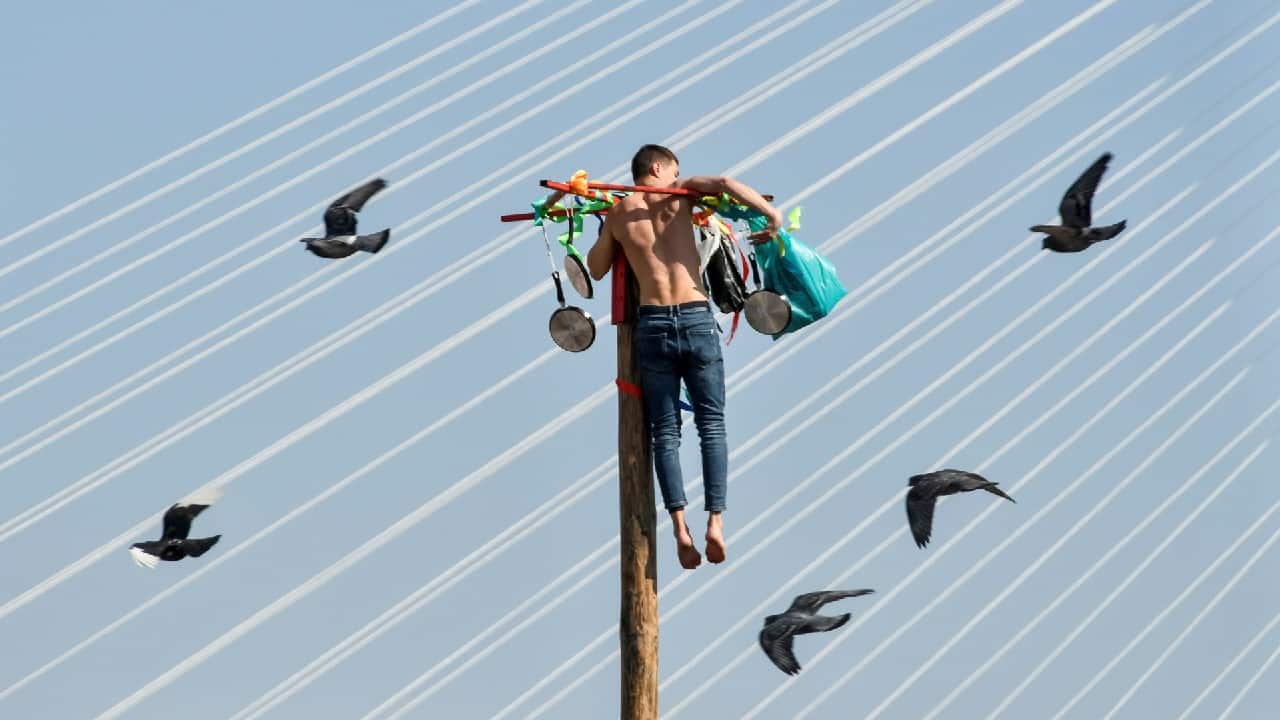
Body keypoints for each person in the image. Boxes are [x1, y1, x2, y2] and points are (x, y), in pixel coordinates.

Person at [554, 144, 781, 569]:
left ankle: (680, 527)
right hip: (695, 317)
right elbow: (729, 185)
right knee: (711, 425)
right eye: (675, 168)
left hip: (653, 324)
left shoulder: (621, 213)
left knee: (664, 432)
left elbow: (596, 268)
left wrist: (613, 228)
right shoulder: (683, 194)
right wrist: (773, 217)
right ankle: (715, 521)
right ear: (660, 168)